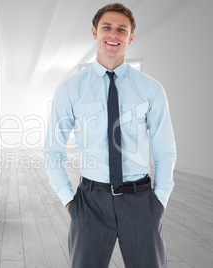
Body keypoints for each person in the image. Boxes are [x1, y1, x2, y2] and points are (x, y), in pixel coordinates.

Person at [43, 3, 176, 268]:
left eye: (121, 29)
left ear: (131, 37)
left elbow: (164, 148)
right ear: (94, 32)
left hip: (141, 202)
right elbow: (53, 150)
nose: (113, 34)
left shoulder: (151, 89)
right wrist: (69, 201)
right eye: (107, 27)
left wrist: (160, 199)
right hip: (90, 202)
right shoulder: (70, 89)